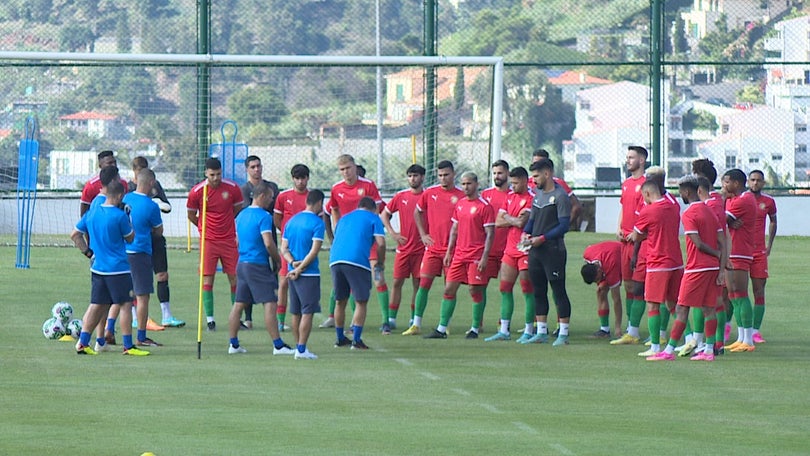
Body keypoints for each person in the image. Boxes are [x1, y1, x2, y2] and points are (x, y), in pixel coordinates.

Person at [647, 175, 725, 361]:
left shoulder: (689, 214)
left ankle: (668, 351)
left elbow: (697, 244)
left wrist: (716, 254)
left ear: (687, 191)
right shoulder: (709, 211)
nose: (679, 194)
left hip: (696, 268)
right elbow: (723, 240)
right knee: (709, 309)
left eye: (680, 191)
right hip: (712, 269)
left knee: (681, 308)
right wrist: (721, 266)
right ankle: (708, 351)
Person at [70, 180, 149, 356]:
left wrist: (88, 253)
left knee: (97, 304)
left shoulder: (92, 213)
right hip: (118, 270)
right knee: (126, 305)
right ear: (120, 195)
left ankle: (83, 342)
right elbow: (130, 238)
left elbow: (74, 234)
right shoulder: (120, 216)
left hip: (98, 268)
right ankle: (128, 346)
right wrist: (128, 219)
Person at [422, 172, 494, 339]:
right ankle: (441, 328)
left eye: (468, 184)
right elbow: (454, 230)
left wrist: (484, 257)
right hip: (459, 255)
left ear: (476, 184)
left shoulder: (484, 206)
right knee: (449, 288)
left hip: (475, 256)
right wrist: (449, 252)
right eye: (463, 184)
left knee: (474, 289)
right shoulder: (460, 204)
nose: (465, 187)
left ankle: (475, 328)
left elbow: (490, 234)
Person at [320, 154, 386, 331]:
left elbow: (377, 209)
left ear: (355, 167)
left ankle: (387, 321)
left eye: (348, 168)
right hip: (348, 241)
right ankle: (345, 322)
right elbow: (333, 209)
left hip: (368, 239)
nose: (345, 172)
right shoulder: (336, 188)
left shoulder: (368, 185)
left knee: (378, 279)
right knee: (343, 285)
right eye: (341, 169)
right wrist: (336, 231)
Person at [228, 182, 293, 355]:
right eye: (271, 198)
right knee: (270, 303)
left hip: (242, 264)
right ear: (262, 196)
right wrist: (277, 259)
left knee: (239, 304)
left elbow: (238, 241)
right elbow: (268, 242)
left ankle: (233, 344)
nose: (271, 202)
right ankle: (278, 345)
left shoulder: (241, 215)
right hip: (257, 265)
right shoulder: (264, 217)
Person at [402, 160, 465, 335]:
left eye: (446, 175)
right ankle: (416, 324)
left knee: (449, 287)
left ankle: (445, 324)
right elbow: (417, 212)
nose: (443, 178)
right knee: (423, 284)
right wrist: (423, 234)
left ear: (453, 174)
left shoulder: (460, 196)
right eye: (440, 175)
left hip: (452, 250)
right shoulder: (430, 193)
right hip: (433, 249)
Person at [186, 157, 244, 332]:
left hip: (228, 240)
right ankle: (210, 319)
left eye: (218, 174)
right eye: (212, 175)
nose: (216, 178)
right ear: (206, 173)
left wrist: (225, 224)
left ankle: (236, 318)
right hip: (208, 241)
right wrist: (204, 228)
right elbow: (191, 214)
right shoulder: (197, 191)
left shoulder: (233, 188)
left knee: (235, 277)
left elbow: (237, 208)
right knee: (207, 279)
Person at [520, 159, 572, 346]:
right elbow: (532, 220)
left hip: (553, 250)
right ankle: (541, 331)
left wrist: (543, 238)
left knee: (558, 290)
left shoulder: (560, 196)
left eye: (536, 176)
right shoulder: (538, 195)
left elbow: (564, 226)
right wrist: (526, 232)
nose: (533, 180)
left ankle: (563, 333)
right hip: (535, 251)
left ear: (547, 174)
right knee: (538, 290)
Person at [629, 180, 683, 357]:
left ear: (646, 194)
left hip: (657, 262)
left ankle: (655, 346)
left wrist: (635, 235)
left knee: (653, 305)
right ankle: (690, 338)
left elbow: (636, 235)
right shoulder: (673, 206)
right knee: (674, 303)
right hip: (676, 261)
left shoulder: (648, 210)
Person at [129, 156, 184, 328]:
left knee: (162, 275)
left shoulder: (155, 187)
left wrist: (159, 204)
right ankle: (135, 318)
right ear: (134, 172)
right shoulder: (127, 190)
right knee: (135, 283)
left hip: (154, 240)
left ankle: (166, 315)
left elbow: (166, 206)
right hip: (137, 243)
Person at [484, 166, 535, 342]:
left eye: (515, 183)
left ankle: (529, 330)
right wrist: (512, 220)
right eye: (511, 183)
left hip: (525, 250)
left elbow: (522, 222)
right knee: (504, 288)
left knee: (527, 290)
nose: (512, 186)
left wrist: (509, 218)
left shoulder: (531, 198)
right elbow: (498, 222)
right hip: (510, 250)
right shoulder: (510, 197)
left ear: (524, 180)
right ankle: (504, 330)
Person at [330, 196, 386, 350]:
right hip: (357, 261)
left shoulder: (344, 218)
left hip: (335, 259)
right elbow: (381, 244)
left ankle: (340, 338)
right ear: (373, 208)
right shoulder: (374, 218)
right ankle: (356, 340)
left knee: (340, 300)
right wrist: (380, 263)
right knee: (361, 301)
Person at [280, 190, 326, 360]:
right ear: (319, 203)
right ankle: (301, 349)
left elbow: (284, 248)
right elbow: (314, 252)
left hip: (293, 273)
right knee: (308, 312)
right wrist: (300, 269)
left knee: (296, 312)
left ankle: (298, 345)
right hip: (309, 274)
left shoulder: (291, 221)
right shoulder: (318, 223)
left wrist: (292, 263)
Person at [380, 164, 426, 331]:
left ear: (422, 177)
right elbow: (384, 214)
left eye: (415, 175)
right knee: (397, 282)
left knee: (418, 284)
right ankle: (391, 319)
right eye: (410, 175)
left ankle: (414, 319)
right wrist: (392, 233)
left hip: (421, 250)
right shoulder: (401, 196)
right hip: (403, 249)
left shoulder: (427, 196)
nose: (412, 179)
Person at [122, 169, 164, 347]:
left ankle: (107, 331)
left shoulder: (124, 199)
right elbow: (158, 231)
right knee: (142, 296)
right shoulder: (151, 206)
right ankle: (141, 335)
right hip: (140, 253)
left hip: (122, 252)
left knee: (120, 296)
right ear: (151, 183)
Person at [611, 145, 648, 346]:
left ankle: (634, 330)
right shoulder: (626, 184)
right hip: (624, 242)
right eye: (627, 157)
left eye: (631, 157)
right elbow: (624, 208)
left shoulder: (646, 185)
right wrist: (618, 227)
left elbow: (647, 214)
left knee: (638, 286)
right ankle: (630, 329)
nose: (628, 160)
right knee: (627, 285)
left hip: (639, 243)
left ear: (641, 160)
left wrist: (636, 233)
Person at [240, 155, 280, 330]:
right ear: (247, 169)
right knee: (249, 287)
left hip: (269, 235)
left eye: (259, 166)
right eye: (253, 167)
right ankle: (248, 318)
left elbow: (277, 211)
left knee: (273, 279)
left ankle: (278, 319)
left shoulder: (272, 187)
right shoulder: (244, 190)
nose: (257, 169)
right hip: (253, 241)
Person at [722, 169, 758, 352]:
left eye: (726, 182)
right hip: (733, 251)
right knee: (733, 296)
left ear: (736, 183)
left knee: (740, 294)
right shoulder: (734, 200)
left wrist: (725, 220)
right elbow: (724, 220)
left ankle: (749, 340)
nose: (724, 187)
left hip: (739, 251)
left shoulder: (743, 200)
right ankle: (742, 337)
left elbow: (719, 220)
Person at [274, 164, 312, 332]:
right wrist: (285, 235)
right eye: (297, 178)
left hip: (306, 247)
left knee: (306, 283)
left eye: (303, 178)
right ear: (292, 179)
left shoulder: (312, 197)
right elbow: (277, 218)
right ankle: (280, 321)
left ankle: (304, 317)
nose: (300, 181)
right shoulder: (283, 196)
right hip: (288, 246)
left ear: (307, 178)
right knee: (284, 283)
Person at [746, 169, 777, 343]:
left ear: (763, 183)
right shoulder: (740, 200)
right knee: (734, 292)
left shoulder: (769, 202)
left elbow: (773, 221)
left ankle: (755, 331)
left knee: (759, 291)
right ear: (748, 182)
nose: (755, 183)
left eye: (758, 180)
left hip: (759, 252)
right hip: (741, 252)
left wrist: (769, 245)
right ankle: (727, 326)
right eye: (752, 180)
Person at [480, 160, 511, 327]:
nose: (497, 176)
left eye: (500, 173)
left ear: (507, 173)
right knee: (480, 286)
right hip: (489, 249)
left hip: (508, 249)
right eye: (494, 173)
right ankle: (479, 321)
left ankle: (503, 322)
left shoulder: (514, 195)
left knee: (507, 287)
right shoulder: (485, 195)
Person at [581, 241, 623, 338]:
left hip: (623, 258)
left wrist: (617, 328)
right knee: (600, 291)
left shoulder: (611, 266)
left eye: (597, 279)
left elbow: (617, 300)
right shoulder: (587, 254)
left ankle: (629, 328)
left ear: (599, 270)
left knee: (631, 291)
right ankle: (604, 329)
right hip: (608, 257)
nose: (597, 282)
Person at [529, 149, 581, 224]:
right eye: (535, 163)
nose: (537, 166)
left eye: (540, 164)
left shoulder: (558, 184)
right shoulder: (526, 182)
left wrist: (564, 226)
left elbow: (576, 206)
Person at [80, 150, 128, 217]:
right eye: (109, 163)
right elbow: (84, 212)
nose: (113, 165)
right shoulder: (91, 186)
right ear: (100, 166)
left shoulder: (123, 183)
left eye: (115, 162)